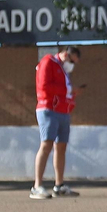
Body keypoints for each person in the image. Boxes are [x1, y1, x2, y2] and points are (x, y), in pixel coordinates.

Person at [31, 45, 81, 199]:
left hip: (63, 112)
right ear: (66, 54)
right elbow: (44, 86)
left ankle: (59, 185)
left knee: (61, 148)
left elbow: (64, 90)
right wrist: (69, 91)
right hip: (48, 110)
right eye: (72, 61)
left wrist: (71, 97)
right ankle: (37, 186)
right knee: (46, 145)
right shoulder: (48, 62)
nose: (72, 66)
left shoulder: (62, 69)